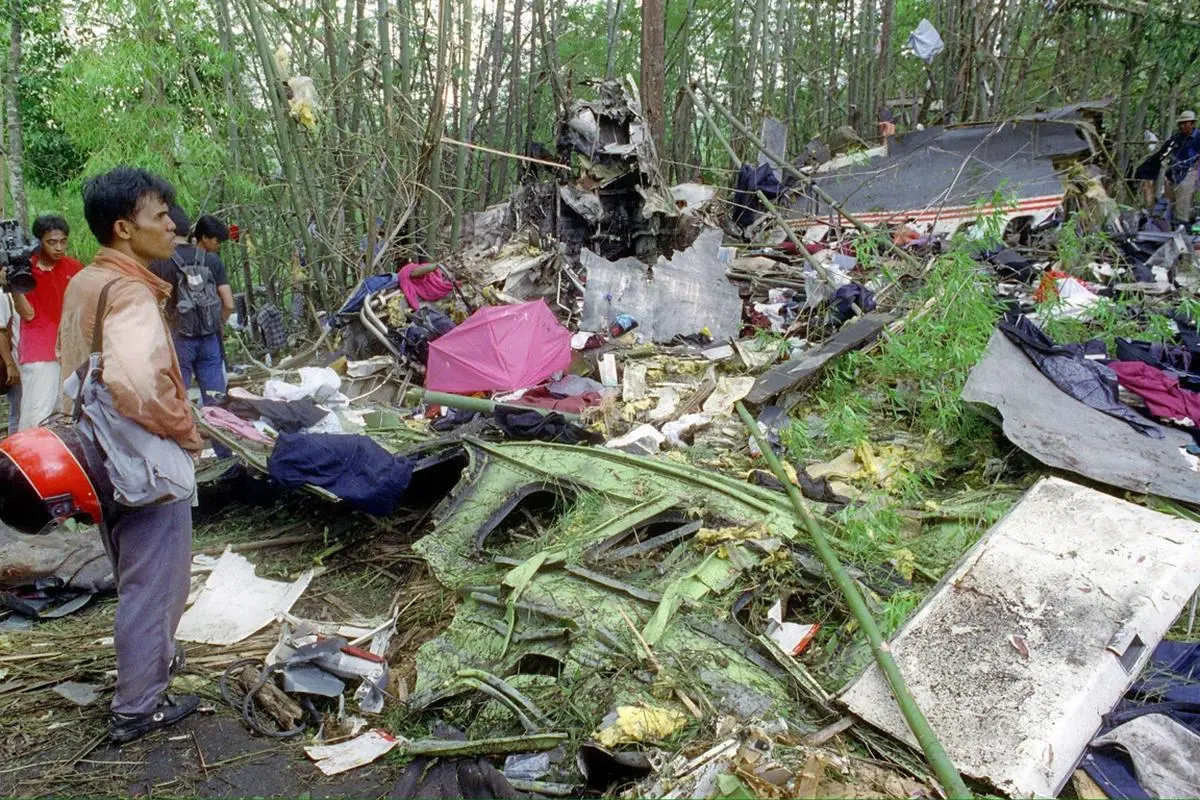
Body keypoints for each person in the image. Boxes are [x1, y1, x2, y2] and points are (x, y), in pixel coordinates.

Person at [57, 166, 204, 743]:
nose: (171, 225)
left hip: (93, 453)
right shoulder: (131, 290)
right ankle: (138, 707)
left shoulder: (85, 280)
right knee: (156, 582)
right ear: (124, 227)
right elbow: (139, 386)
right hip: (138, 456)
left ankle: (155, 662)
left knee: (133, 571)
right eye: (159, 216)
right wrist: (186, 432)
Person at [149, 210, 233, 405]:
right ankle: (219, 432)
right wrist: (217, 323)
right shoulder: (211, 259)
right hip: (209, 337)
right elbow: (228, 303)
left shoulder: (159, 262)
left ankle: (186, 433)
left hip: (178, 338)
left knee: (178, 398)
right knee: (216, 399)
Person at [12, 215, 84, 430]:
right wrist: (14, 285)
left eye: (63, 241)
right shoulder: (26, 271)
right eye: (52, 242)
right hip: (40, 352)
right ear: (38, 242)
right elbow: (27, 313)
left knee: (66, 413)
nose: (59, 247)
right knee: (37, 414)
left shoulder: (74, 268)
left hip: (70, 350)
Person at [1162, 111, 1200, 224]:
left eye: (1185, 123)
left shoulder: (1198, 137)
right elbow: (1167, 151)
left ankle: (1182, 226)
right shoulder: (1177, 137)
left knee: (1183, 202)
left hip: (1189, 171)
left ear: (1192, 124)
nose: (1182, 126)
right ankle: (1169, 225)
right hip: (1173, 171)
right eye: (1180, 124)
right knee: (1169, 201)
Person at [0, 292, 19, 434]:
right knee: (17, 413)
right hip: (15, 361)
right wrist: (10, 365)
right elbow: (0, 332)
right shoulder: (3, 295)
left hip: (24, 361)